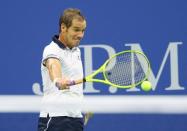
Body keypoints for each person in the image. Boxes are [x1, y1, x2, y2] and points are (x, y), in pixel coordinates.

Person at [38, 8, 88, 131]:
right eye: (76, 30)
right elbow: (53, 65)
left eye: (83, 31)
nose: (80, 35)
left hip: (76, 118)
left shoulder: (77, 51)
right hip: (55, 117)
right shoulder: (51, 49)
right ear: (63, 27)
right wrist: (57, 80)